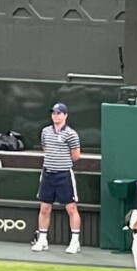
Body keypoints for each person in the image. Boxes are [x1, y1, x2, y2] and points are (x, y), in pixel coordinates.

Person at [31, 103, 83, 254]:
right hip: (47, 174)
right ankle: (42, 240)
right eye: (53, 113)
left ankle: (75, 242)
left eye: (59, 113)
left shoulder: (71, 134)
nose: (55, 115)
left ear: (65, 115)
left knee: (71, 208)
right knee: (45, 207)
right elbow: (45, 148)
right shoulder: (45, 131)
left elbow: (76, 155)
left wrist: (61, 160)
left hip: (64, 174)